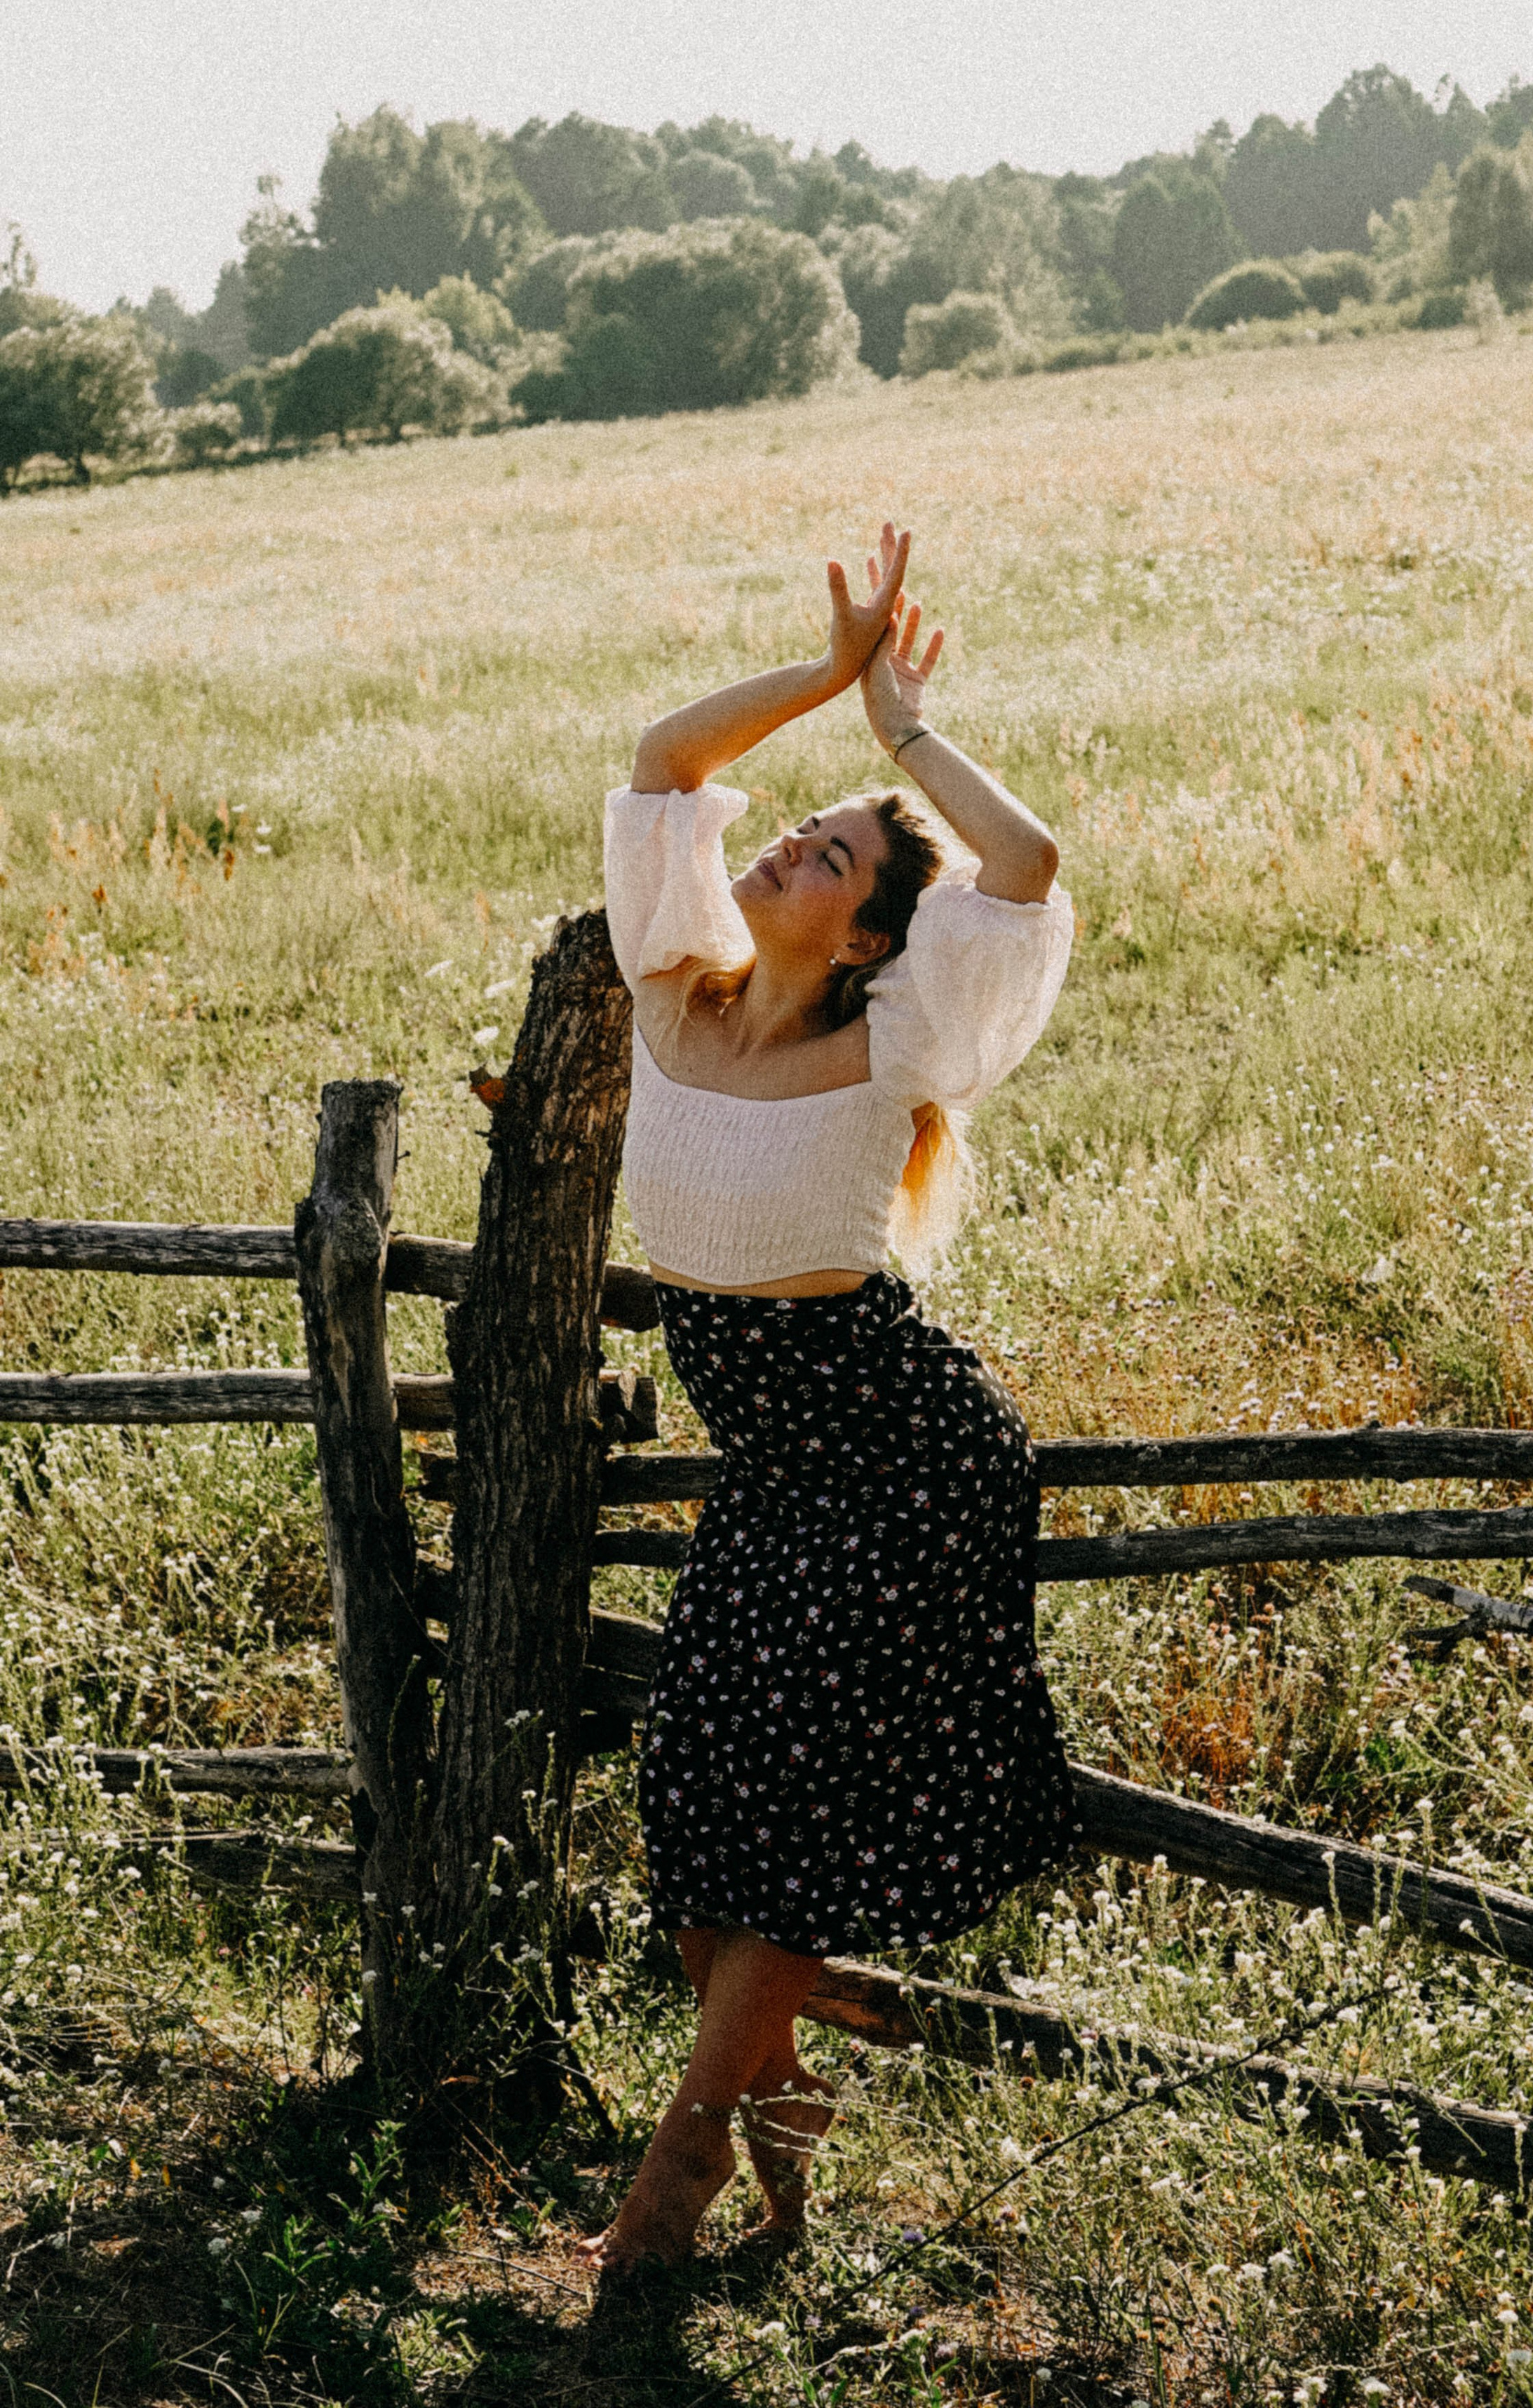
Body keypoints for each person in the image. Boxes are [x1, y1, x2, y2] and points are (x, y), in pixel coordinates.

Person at [581, 525, 1078, 2296]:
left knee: (781, 1814)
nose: (789, 837)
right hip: (784, 1457)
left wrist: (901, 736)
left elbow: (1018, 865)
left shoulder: (889, 1047)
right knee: (703, 1804)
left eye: (834, 850)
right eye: (801, 829)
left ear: (871, 932)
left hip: (898, 1447)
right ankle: (777, 2104)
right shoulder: (671, 997)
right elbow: (665, 766)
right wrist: (820, 664)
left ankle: (675, 2178)